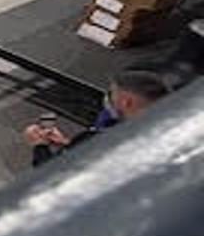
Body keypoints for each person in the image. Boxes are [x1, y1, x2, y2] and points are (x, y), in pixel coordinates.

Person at [25, 68, 171, 164]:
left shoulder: (109, 138)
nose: (108, 98)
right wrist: (68, 144)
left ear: (126, 102)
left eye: (112, 93)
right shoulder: (171, 123)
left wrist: (39, 146)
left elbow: (52, 175)